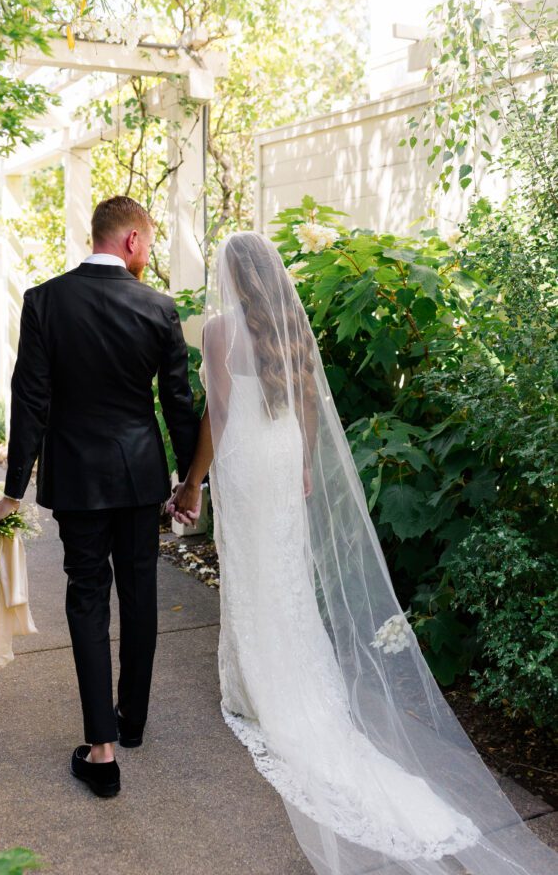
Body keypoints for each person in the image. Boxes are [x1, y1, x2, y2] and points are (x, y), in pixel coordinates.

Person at [167, 230, 558, 875]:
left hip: (246, 460)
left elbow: (219, 415)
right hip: (285, 454)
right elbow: (308, 404)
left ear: (229, 277)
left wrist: (195, 480)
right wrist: (304, 466)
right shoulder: (291, 323)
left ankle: (253, 690)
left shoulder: (215, 331)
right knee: (285, 569)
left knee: (254, 570)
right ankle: (285, 681)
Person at [0, 196, 199, 798]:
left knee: (87, 600)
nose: (147, 255)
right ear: (130, 240)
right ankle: (134, 724)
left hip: (75, 478)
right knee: (140, 593)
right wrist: (189, 482)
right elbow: (180, 404)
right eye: (148, 244)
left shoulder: (44, 301)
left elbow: (31, 399)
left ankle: (101, 750)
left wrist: (12, 493)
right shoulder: (158, 307)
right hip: (139, 476)